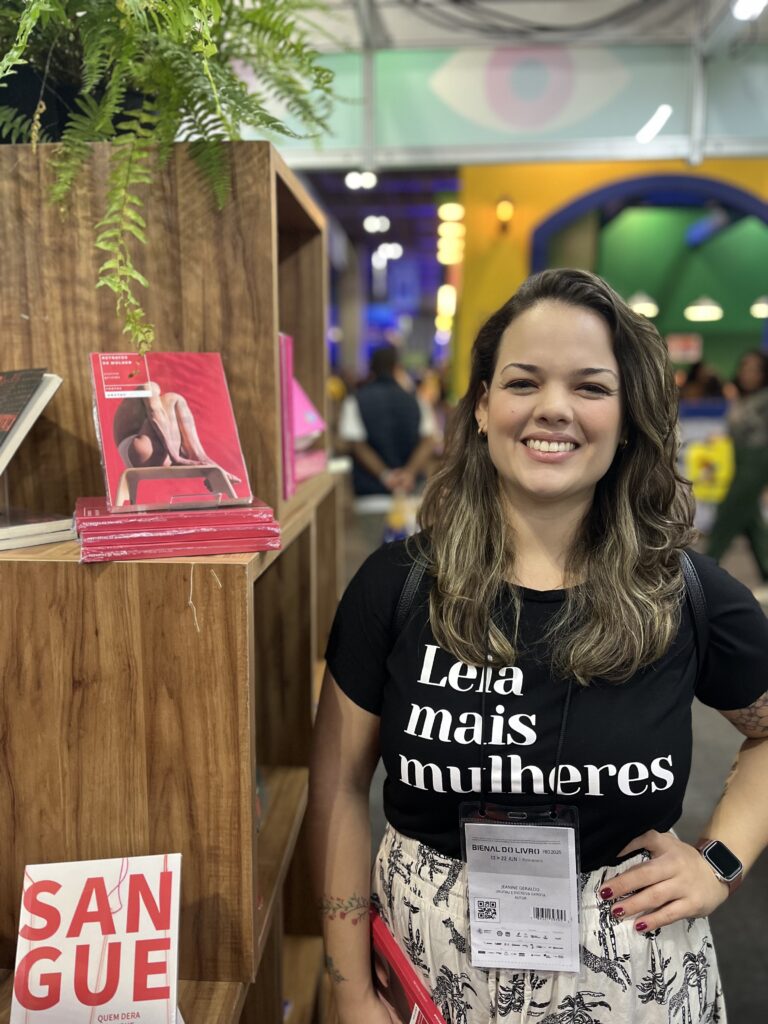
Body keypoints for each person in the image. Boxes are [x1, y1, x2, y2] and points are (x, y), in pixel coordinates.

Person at [309, 269, 768, 1024]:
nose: (553, 407)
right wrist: (348, 989)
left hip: (629, 979)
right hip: (426, 968)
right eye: (523, 381)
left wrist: (720, 863)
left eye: (590, 387)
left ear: (628, 416)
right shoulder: (396, 587)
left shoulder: (687, 594)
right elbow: (336, 791)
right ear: (482, 406)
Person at [706, 350, 768, 600]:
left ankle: (703, 568)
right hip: (739, 461)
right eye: (744, 367)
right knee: (752, 521)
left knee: (728, 513)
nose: (747, 373)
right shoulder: (741, 398)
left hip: (758, 461)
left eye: (754, 369)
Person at [338, 344, 438, 496]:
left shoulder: (354, 401)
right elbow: (428, 441)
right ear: (397, 368)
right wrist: (409, 473)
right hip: (412, 492)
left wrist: (386, 475)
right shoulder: (417, 400)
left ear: (371, 368)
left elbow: (356, 445)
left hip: (370, 493)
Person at [112, 380, 241, 483]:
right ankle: (198, 456)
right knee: (173, 398)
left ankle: (198, 457)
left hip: (136, 453)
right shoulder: (150, 386)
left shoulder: (132, 400)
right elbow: (154, 413)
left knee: (167, 404)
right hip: (141, 451)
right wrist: (175, 457)